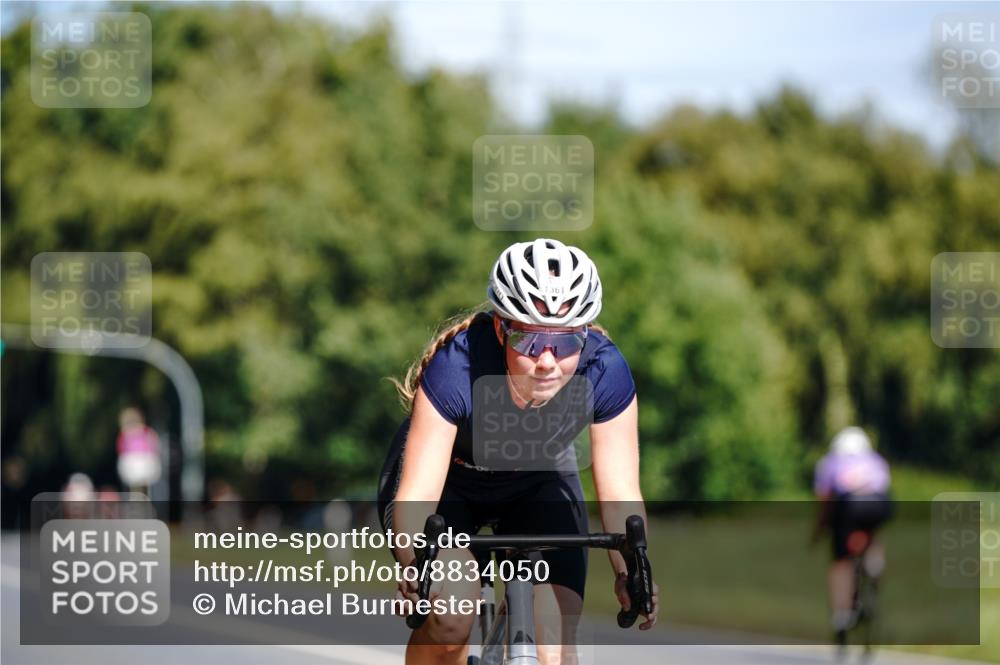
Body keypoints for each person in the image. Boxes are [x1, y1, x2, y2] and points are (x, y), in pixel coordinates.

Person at [379, 238, 659, 665]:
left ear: (585, 336)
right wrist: (418, 570)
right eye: (529, 340)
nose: (546, 361)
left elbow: (621, 491)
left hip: (537, 483)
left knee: (554, 646)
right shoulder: (457, 366)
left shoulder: (606, 371)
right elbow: (417, 497)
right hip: (449, 487)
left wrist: (631, 572)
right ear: (499, 328)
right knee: (451, 613)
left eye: (565, 343)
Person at [813, 426, 892, 647]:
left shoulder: (829, 463)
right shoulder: (876, 461)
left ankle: (842, 612)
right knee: (873, 533)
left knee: (841, 560)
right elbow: (884, 488)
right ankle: (875, 561)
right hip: (879, 503)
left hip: (850, 505)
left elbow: (825, 502)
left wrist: (820, 530)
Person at [116, 407, 161, 497]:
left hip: (143, 463)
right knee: (138, 487)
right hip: (135, 464)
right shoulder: (128, 434)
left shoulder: (144, 432)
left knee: (139, 487)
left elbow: (120, 449)